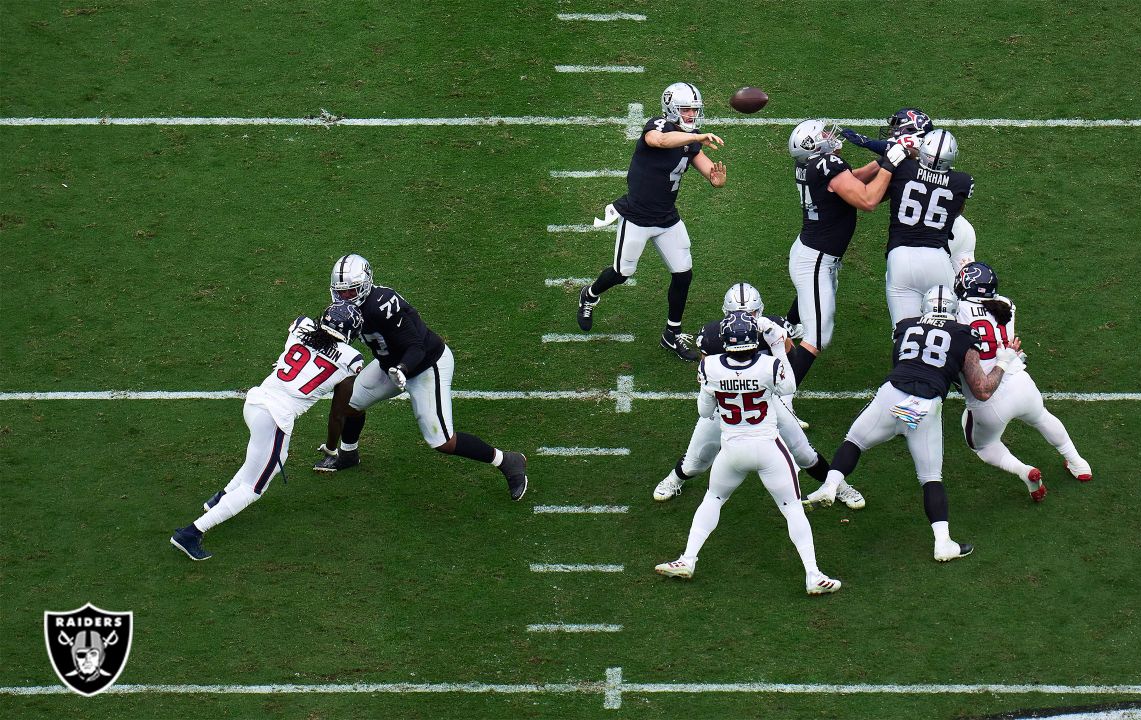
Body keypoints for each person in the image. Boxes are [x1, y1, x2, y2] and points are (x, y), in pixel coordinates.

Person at [806, 285, 1023, 562]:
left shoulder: (905, 326)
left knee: (855, 440)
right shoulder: (962, 334)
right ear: (954, 311)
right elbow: (982, 388)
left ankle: (830, 485)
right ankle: (942, 542)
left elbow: (901, 360)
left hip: (892, 394)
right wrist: (1004, 361)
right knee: (930, 478)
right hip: (925, 405)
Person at [315, 254, 529, 501]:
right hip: (390, 364)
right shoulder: (343, 308)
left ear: (364, 285)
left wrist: (403, 369)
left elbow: (416, 347)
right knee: (351, 403)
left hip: (426, 365)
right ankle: (348, 454)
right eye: (340, 292)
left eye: (350, 292)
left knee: (443, 442)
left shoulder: (383, 305)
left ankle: (508, 461)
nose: (344, 298)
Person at [655, 311, 841, 595]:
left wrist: (711, 389)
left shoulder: (712, 367)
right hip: (768, 448)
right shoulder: (768, 364)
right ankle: (813, 574)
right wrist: (778, 345)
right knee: (791, 508)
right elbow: (789, 387)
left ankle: (687, 559)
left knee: (713, 499)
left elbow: (705, 412)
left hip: (731, 450)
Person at [170, 302, 365, 560]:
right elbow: (350, 382)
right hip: (276, 417)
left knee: (258, 460)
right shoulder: (351, 358)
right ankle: (191, 533)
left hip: (255, 404)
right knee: (254, 488)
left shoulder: (303, 326)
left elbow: (306, 333)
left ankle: (219, 499)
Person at [652, 283, 866, 511]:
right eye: (739, 314)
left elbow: (791, 365)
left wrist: (778, 340)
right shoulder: (713, 335)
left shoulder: (772, 327)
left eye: (751, 313)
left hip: (766, 401)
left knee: (804, 452)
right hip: (725, 404)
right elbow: (706, 373)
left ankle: (838, 486)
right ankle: (675, 478)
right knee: (696, 460)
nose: (746, 318)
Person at [577, 82, 727, 362]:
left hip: (667, 218)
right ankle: (590, 294)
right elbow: (657, 141)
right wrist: (695, 136)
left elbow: (706, 167)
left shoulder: (690, 138)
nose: (692, 115)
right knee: (622, 273)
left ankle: (672, 335)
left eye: (695, 110)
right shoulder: (660, 126)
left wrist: (715, 179)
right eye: (686, 109)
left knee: (684, 273)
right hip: (637, 217)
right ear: (670, 109)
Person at [783, 119, 909, 384]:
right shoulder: (827, 164)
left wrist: (881, 162)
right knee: (818, 337)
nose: (830, 136)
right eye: (823, 134)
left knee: (810, 308)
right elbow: (867, 200)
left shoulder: (811, 165)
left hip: (811, 253)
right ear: (812, 145)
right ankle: (779, 400)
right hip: (816, 260)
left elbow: (850, 181)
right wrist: (889, 164)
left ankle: (784, 327)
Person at [953, 262, 1093, 500]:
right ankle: (1078, 462)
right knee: (1042, 417)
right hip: (1020, 382)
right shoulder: (1006, 304)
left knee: (983, 446)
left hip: (989, 397)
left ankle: (1024, 471)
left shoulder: (955, 311)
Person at [836, 108, 979, 274]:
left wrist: (872, 147)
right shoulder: (923, 159)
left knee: (929, 295)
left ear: (911, 132)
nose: (891, 132)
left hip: (938, 237)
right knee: (963, 290)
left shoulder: (906, 164)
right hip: (956, 229)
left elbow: (872, 197)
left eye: (896, 128)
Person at [879, 128, 976, 325]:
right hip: (938, 259)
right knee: (950, 330)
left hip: (901, 258)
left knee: (904, 333)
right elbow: (957, 211)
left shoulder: (903, 169)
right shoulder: (963, 182)